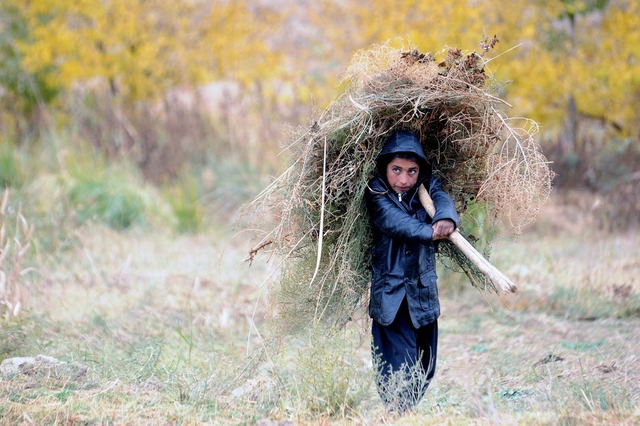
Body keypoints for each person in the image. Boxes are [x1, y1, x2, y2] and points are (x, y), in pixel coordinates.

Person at [365, 129, 459, 413]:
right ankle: (397, 413)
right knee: (399, 363)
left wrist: (446, 218)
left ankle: (403, 411)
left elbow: (442, 200)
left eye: (411, 171)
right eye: (396, 170)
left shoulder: (426, 189)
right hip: (391, 297)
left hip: (421, 295)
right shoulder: (376, 192)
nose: (403, 179)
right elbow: (395, 222)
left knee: (425, 366)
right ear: (385, 168)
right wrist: (431, 232)